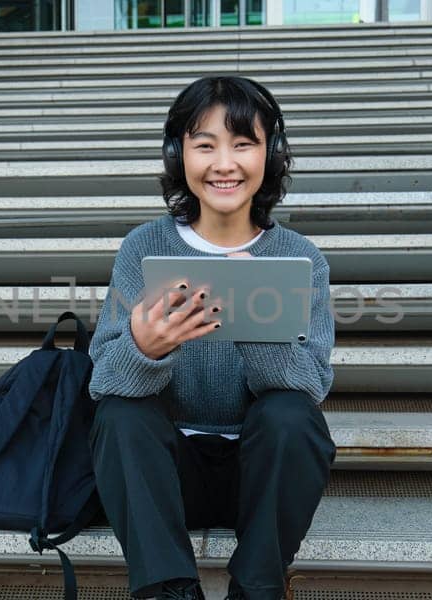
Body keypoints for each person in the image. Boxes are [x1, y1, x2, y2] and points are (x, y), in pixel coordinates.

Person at [87, 75, 337, 600]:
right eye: (206, 145)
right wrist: (144, 350)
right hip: (170, 477)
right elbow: (103, 377)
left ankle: (256, 587)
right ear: (179, 155)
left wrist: (254, 317)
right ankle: (170, 590)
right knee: (119, 413)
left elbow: (312, 385)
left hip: (259, 476)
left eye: (244, 144)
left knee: (291, 415)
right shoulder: (143, 247)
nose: (225, 164)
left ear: (272, 154)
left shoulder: (301, 258)